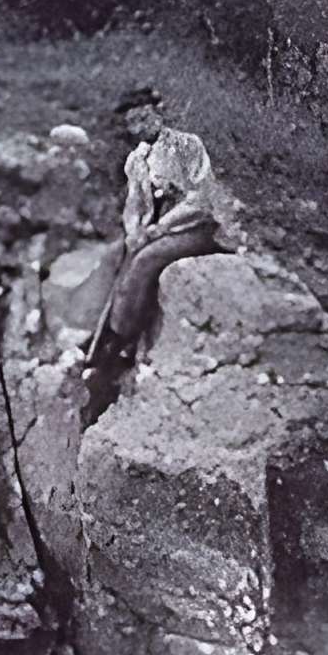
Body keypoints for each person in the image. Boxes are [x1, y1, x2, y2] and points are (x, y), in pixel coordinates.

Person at [81, 87, 238, 423]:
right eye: (133, 122)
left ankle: (123, 339)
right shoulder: (136, 159)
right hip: (155, 229)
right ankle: (103, 336)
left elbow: (202, 199)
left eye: (144, 116)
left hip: (198, 228)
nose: (140, 125)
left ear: (157, 113)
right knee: (122, 255)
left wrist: (161, 227)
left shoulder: (186, 145)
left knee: (146, 261)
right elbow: (133, 204)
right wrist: (134, 230)